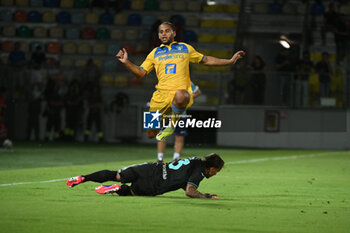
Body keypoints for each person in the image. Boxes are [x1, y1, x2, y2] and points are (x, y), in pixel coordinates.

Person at [116, 21, 245, 142]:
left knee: (181, 95)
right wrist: (127, 62)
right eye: (161, 32)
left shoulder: (185, 48)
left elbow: (206, 60)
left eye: (167, 31)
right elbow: (140, 73)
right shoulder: (154, 53)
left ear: (174, 33)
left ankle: (172, 125)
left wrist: (230, 61)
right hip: (160, 97)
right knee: (151, 134)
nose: (164, 34)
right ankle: (166, 123)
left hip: (179, 92)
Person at [66, 153, 224, 199]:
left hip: (151, 169)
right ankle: (119, 190)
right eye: (216, 171)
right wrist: (205, 197)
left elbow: (182, 179)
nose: (215, 174)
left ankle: (83, 178)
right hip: (155, 185)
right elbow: (190, 191)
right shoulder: (200, 173)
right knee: (131, 191)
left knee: (117, 174)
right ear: (211, 168)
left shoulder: (195, 160)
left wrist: (201, 192)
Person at [157, 82, 201, 163]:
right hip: (167, 112)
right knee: (162, 134)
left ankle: (176, 159)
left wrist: (188, 98)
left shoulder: (187, 81)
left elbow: (197, 92)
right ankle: (160, 158)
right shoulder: (167, 79)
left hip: (181, 114)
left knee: (179, 136)